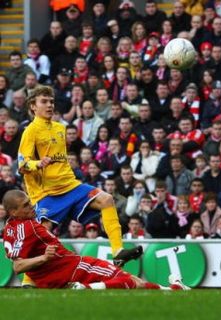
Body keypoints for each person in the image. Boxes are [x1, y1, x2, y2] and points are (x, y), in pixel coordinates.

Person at [18, 86, 143, 287]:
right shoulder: (30, 132)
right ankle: (28, 279)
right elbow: (22, 164)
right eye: (44, 102)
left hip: (71, 186)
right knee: (42, 233)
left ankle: (118, 251)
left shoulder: (60, 128)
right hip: (46, 193)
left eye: (51, 101)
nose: (49, 105)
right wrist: (37, 164)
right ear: (33, 106)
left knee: (107, 200)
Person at [1, 190, 188, 290]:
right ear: (13, 212)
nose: (31, 206)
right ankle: (87, 288)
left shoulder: (11, 228)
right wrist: (43, 258)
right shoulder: (28, 226)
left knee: (133, 281)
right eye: (25, 206)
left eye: (29, 202)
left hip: (56, 276)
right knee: (126, 280)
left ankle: (174, 289)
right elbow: (18, 266)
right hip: (72, 267)